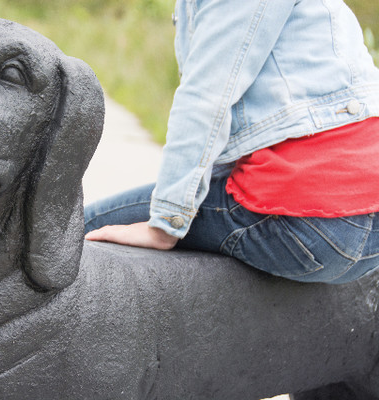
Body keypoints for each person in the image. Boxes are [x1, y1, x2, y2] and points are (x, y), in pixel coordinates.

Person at [84, 0, 379, 284]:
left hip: (309, 220)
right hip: (371, 225)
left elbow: (205, 98)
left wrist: (165, 224)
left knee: (79, 228)